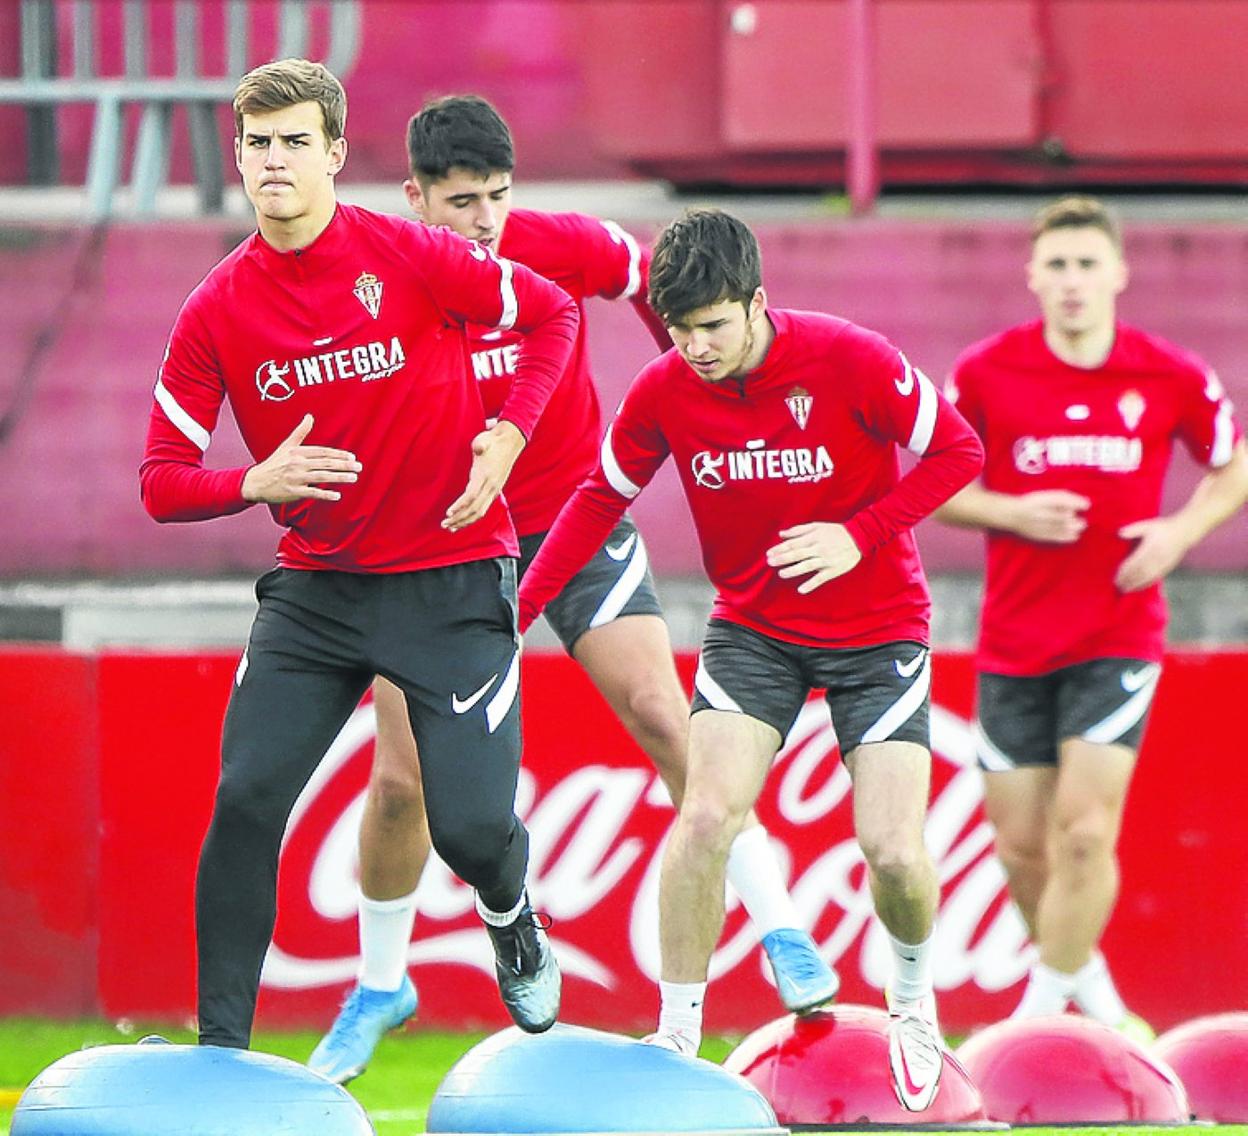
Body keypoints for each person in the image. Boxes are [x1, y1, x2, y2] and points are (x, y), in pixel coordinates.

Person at [309, 96, 839, 1084]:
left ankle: (782, 926)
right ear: (414, 195)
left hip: (572, 520)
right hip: (441, 547)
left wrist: (699, 394)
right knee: (398, 783)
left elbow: (654, 282)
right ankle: (383, 980)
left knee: (664, 712)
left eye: (498, 198)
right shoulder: (372, 286)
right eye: (460, 202)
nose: (482, 221)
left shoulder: (562, 247)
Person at [138, 60, 583, 1049]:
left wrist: (508, 432)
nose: (274, 161)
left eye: (296, 141)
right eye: (258, 144)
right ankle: (221, 1052)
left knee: (470, 829)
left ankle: (511, 919)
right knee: (247, 796)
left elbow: (553, 312)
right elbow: (163, 478)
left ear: (335, 154)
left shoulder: (411, 254)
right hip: (319, 593)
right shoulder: (216, 307)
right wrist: (251, 483)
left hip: (452, 578)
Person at [517, 208, 984, 1111]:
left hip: (878, 629)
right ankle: (678, 1038)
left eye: (713, 327)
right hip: (754, 631)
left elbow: (960, 450)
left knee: (890, 849)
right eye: (681, 329)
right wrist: (519, 612)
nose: (695, 347)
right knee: (703, 819)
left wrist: (862, 535)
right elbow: (596, 498)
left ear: (759, 303)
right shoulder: (662, 391)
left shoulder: (851, 357)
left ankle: (915, 1000)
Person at [936, 195, 1248, 1037]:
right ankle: (1094, 994)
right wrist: (1011, 512)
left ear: (1118, 274)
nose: (1073, 282)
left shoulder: (1168, 374)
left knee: (1082, 832)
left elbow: (1233, 462)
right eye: (1058, 266)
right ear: (1033, 277)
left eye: (1087, 265)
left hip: (1117, 635)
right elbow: (934, 485)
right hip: (1013, 640)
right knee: (1020, 846)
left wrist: (1180, 532)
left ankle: (1039, 1018)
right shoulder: (987, 371)